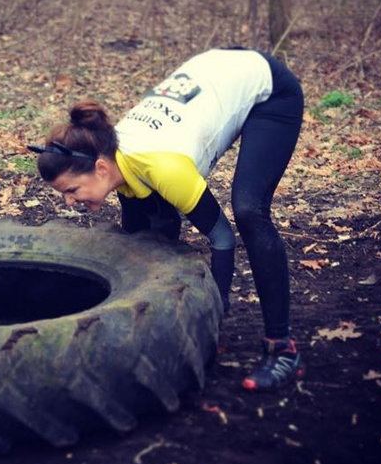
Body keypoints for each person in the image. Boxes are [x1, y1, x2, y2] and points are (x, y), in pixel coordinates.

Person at [28, 48, 305, 392]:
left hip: (267, 88)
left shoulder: (164, 167)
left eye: (71, 190)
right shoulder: (114, 161)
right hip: (215, 70)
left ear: (100, 168)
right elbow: (146, 238)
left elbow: (222, 239)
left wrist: (211, 316)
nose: (70, 201)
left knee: (249, 211)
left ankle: (282, 348)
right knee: (153, 227)